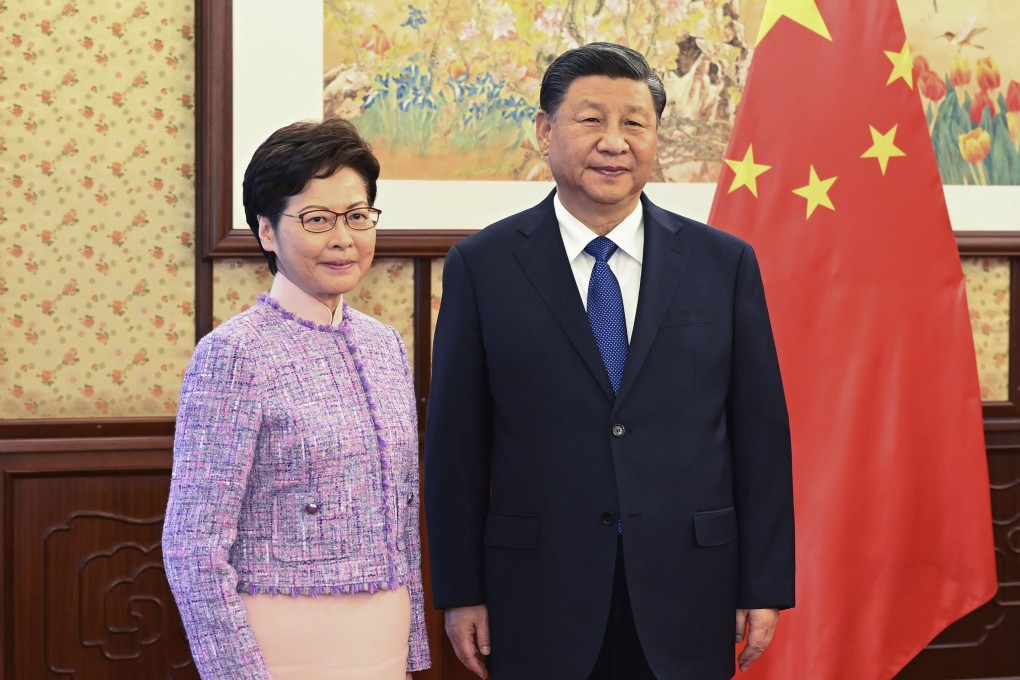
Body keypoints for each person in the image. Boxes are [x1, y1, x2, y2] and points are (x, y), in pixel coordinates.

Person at [424, 42, 794, 679]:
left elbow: (760, 435)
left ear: (656, 137)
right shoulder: (482, 267)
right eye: (591, 119)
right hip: (538, 590)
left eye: (635, 123)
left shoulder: (724, 263)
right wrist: (460, 591)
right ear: (546, 131)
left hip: (689, 586)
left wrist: (762, 583)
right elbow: (456, 446)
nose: (614, 142)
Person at [163, 118, 430, 679]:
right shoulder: (233, 353)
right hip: (282, 648)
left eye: (357, 216)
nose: (343, 238)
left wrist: (412, 653)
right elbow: (193, 546)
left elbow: (404, 520)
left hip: (383, 638)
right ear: (266, 231)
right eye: (316, 219)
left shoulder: (385, 345)